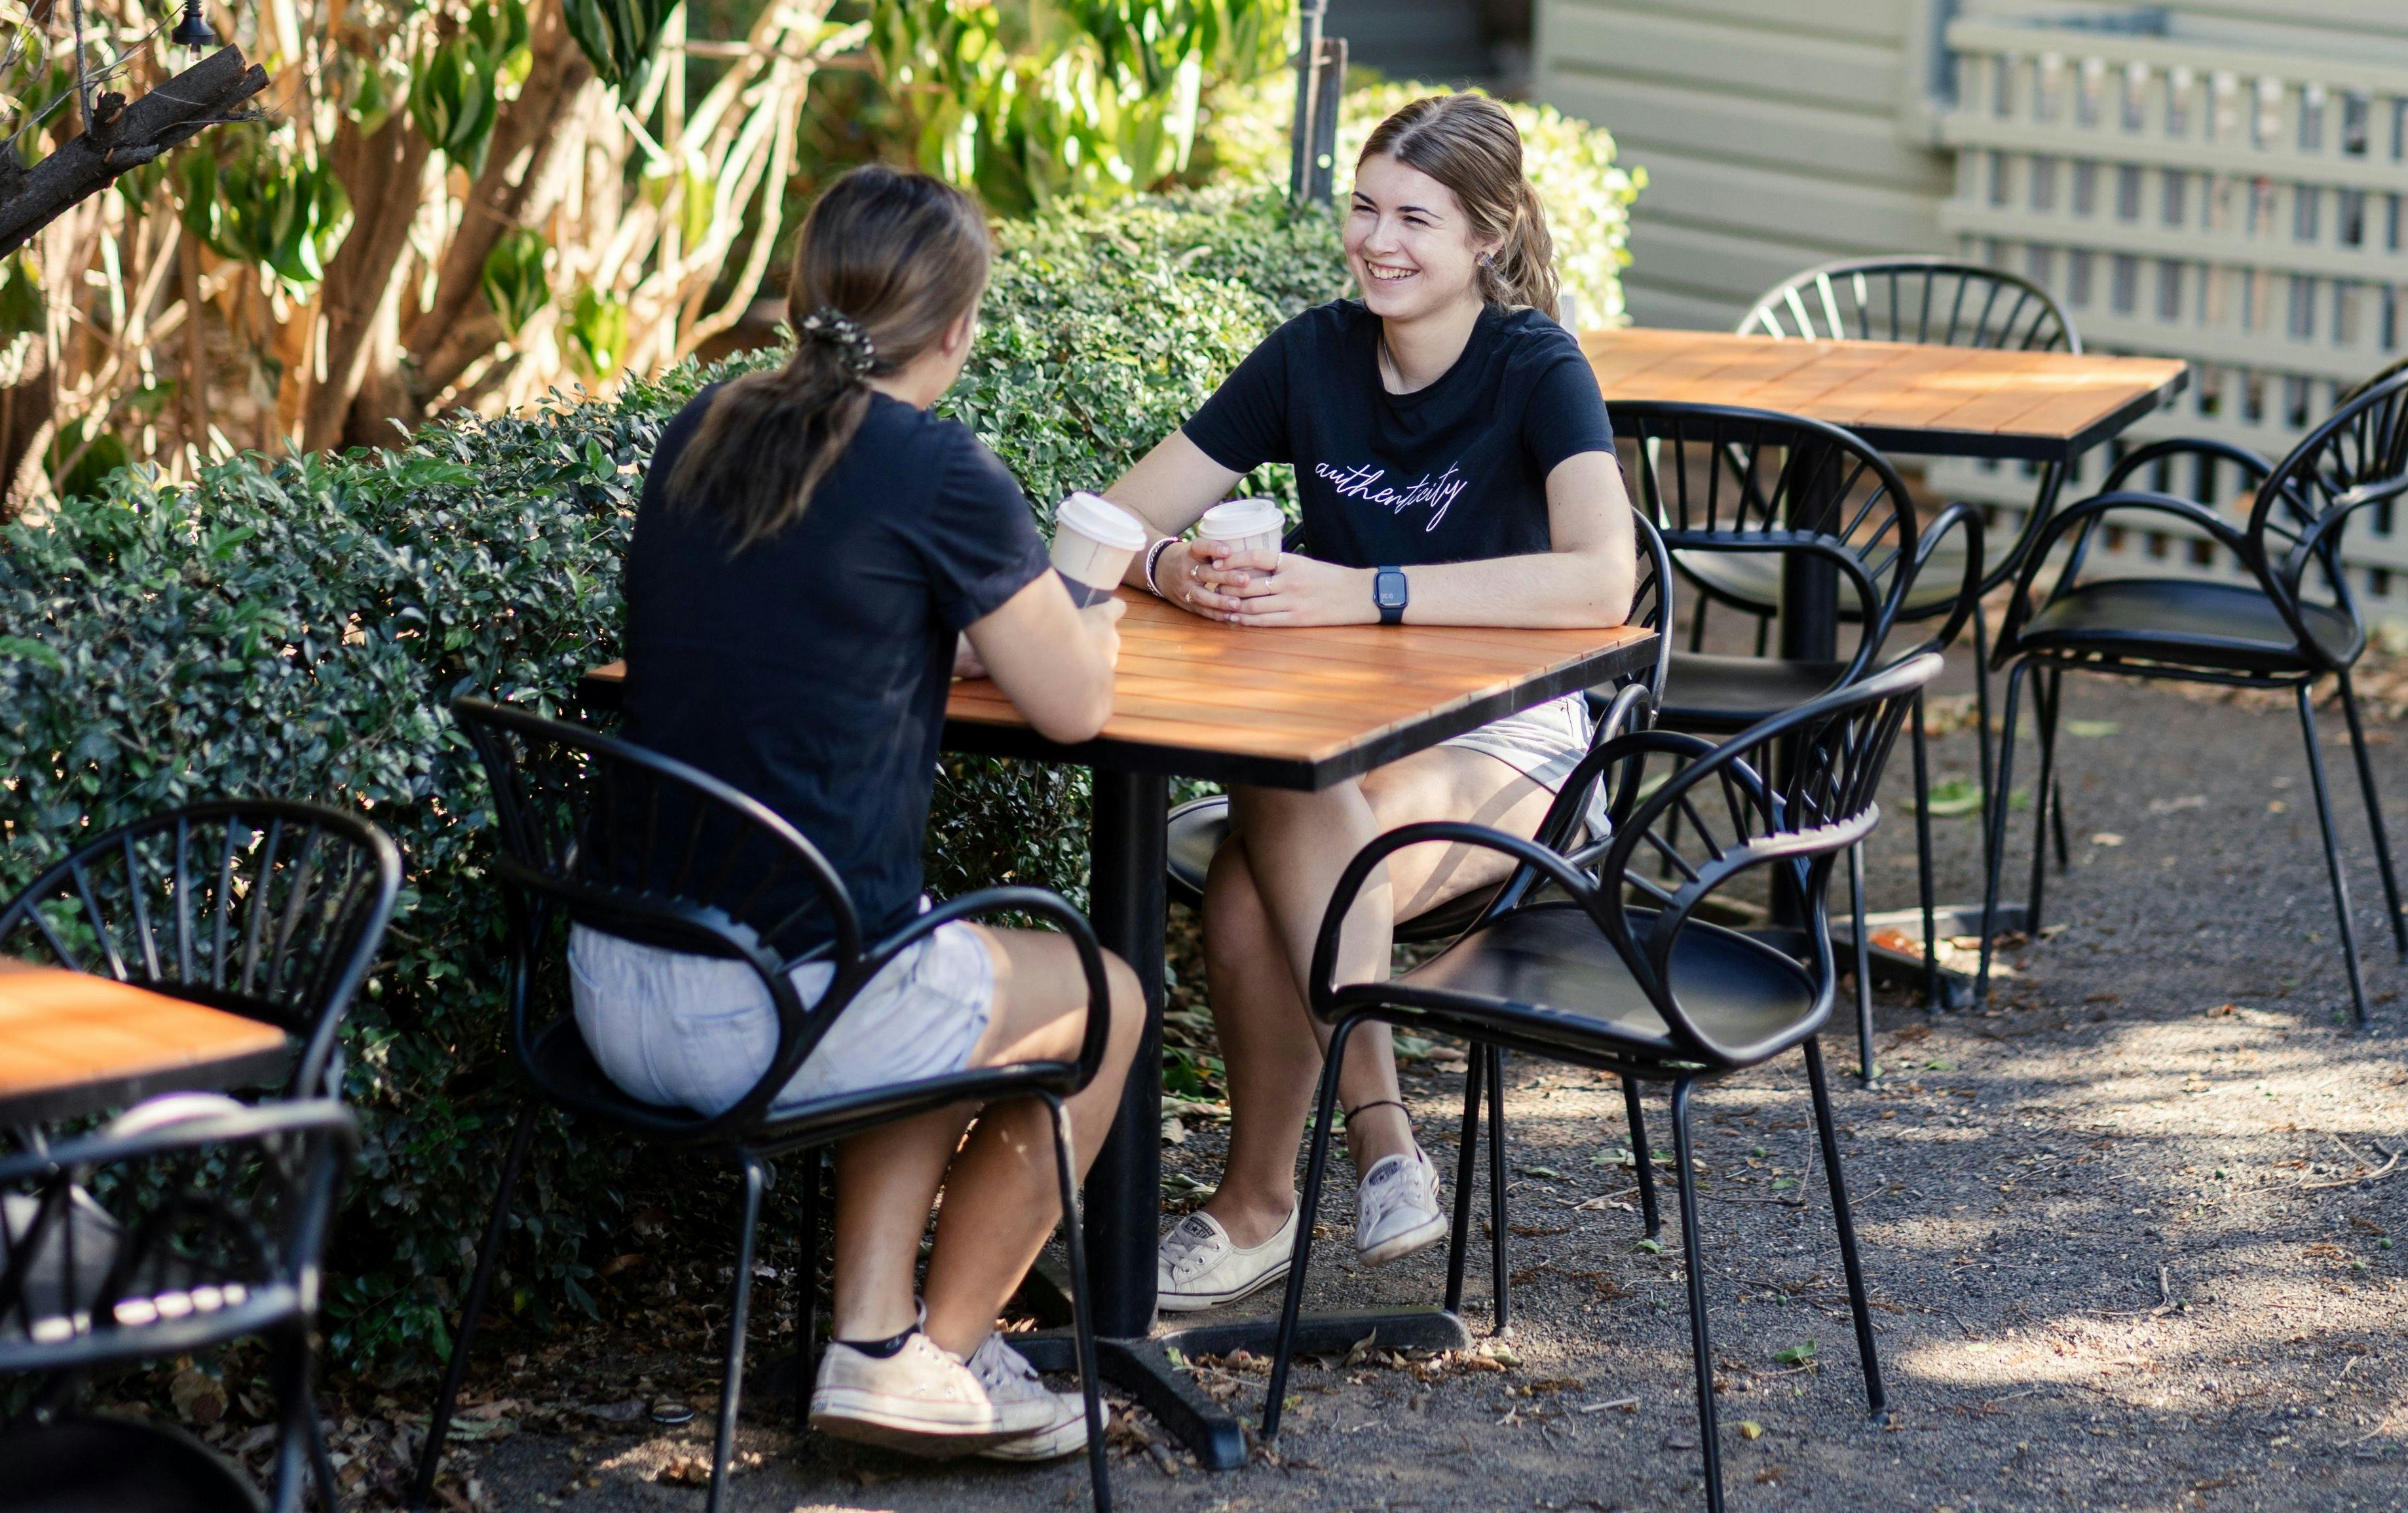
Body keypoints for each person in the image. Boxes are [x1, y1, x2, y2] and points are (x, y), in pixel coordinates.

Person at [591, 166, 1140, 1461]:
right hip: (767, 1016)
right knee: (1103, 1001)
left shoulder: (706, 428)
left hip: (611, 981)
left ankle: (875, 1340)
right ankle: (935, 1358)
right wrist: (1089, 631)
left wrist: (924, 642)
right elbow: (1071, 708)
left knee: (928, 951)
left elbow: (779, 618)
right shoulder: (939, 468)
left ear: (803, 299)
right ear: (956, 328)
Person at [1102, 92, 1640, 1314]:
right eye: (1364, 207)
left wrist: (1365, 590)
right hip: (1331, 732)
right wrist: (1170, 567)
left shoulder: (1537, 367)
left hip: (1516, 736)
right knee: (1280, 798)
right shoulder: (1313, 355)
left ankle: (1273, 1199)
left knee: (1259, 877)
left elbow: (1603, 577)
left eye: (1417, 218)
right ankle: (1377, 1150)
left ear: (1488, 239)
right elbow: (1114, 517)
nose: (1379, 242)